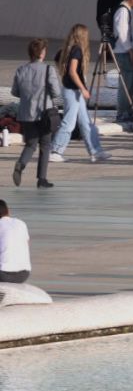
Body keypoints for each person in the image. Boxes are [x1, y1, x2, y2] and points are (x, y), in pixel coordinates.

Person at [50, 24, 107, 163]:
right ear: (82, 35)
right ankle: (56, 150)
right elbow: (73, 71)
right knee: (69, 122)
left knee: (86, 123)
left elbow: (57, 59)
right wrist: (83, 88)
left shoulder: (66, 49)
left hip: (71, 89)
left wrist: (62, 74)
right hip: (73, 91)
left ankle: (96, 150)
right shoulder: (77, 50)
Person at [11, 38, 61, 188]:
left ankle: (21, 164)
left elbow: (15, 92)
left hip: (26, 113)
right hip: (44, 113)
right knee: (45, 145)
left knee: (30, 144)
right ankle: (41, 179)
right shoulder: (48, 69)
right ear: (42, 53)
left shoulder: (21, 70)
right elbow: (56, 92)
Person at [0, 201, 30, 283]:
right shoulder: (21, 223)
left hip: (3, 275)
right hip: (23, 274)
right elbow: (27, 243)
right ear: (8, 211)